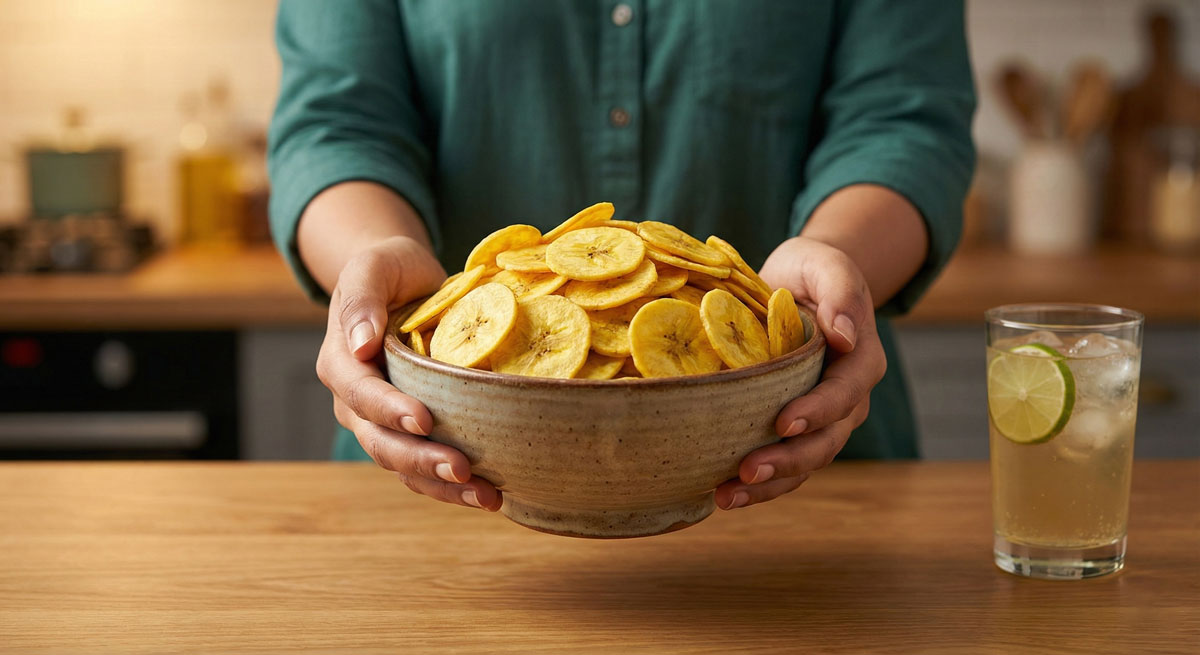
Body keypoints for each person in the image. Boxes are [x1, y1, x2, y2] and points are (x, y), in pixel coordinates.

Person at [268, 2, 975, 513]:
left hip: (804, 476)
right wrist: (375, 257)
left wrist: (834, 256)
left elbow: (903, 119)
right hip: (436, 470)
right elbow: (336, 123)